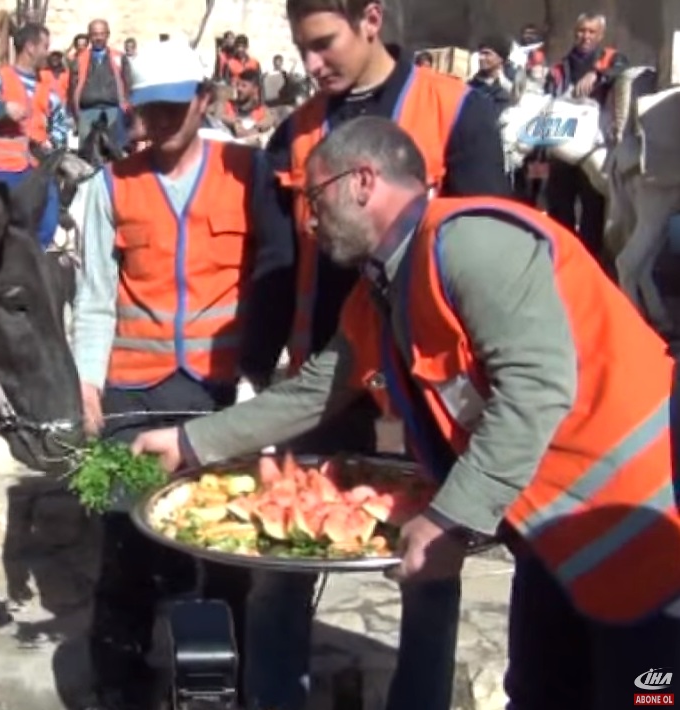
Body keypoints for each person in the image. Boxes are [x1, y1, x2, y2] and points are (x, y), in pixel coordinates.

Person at [133, 115, 680, 710]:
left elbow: (535, 388)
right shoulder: (383, 290)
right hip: (554, 536)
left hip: (645, 528)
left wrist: (450, 518)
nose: (309, 220)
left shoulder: (471, 244)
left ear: (363, 181)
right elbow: (314, 391)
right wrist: (189, 442)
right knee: (542, 694)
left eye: (315, 198)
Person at [239, 0, 512, 707]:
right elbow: (276, 261)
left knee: (429, 565)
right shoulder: (294, 132)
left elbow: (494, 248)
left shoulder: (457, 112)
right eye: (301, 48)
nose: (311, 65)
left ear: (371, 18)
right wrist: (253, 368)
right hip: (326, 374)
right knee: (278, 557)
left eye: (324, 43)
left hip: (426, 381)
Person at [72, 38, 258, 710]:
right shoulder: (108, 186)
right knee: (128, 542)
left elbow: (270, 279)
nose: (157, 124)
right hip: (135, 390)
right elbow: (95, 296)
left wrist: (262, 380)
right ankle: (119, 680)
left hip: (218, 390)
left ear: (204, 101)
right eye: (147, 111)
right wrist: (87, 381)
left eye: (173, 110)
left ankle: (226, 677)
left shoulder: (246, 172)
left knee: (227, 543)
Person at [0, 22, 71, 249]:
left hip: (39, 168)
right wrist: (2, 109)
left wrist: (54, 143)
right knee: (7, 230)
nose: (47, 53)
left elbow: (61, 123)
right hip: (5, 169)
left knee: (47, 224)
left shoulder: (47, 87)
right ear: (30, 47)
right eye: (44, 46)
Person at [543, 13, 628, 267]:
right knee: (560, 208)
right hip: (562, 148)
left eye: (592, 32)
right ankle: (562, 262)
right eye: (581, 31)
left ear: (600, 35)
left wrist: (597, 74)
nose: (585, 36)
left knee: (593, 209)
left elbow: (622, 68)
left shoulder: (611, 58)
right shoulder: (560, 68)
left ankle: (589, 265)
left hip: (594, 148)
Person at [70, 19, 131, 150]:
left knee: (116, 151)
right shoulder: (80, 60)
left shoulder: (119, 57)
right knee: (88, 153)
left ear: (108, 35)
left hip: (114, 111)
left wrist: (127, 108)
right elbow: (72, 88)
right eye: (94, 34)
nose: (98, 38)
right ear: (89, 36)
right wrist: (76, 114)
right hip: (87, 112)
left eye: (102, 34)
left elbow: (128, 83)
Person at [216, 68, 277, 142]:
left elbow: (270, 119)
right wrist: (235, 122)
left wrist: (256, 128)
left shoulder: (261, 110)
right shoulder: (227, 105)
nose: (239, 89)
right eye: (238, 85)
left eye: (244, 86)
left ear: (255, 89)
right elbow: (218, 115)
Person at [468, 35, 515, 119]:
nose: (481, 58)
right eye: (480, 53)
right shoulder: (471, 85)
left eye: (487, 53)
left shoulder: (510, 87)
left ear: (500, 58)